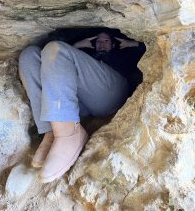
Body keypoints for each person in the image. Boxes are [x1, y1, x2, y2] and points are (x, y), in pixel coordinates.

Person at [18, 29, 145, 183]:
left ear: (114, 43)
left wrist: (132, 43)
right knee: (29, 55)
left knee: (55, 49)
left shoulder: (122, 53)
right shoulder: (85, 54)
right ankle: (51, 131)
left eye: (106, 41)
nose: (102, 44)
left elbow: (147, 49)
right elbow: (58, 67)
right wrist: (78, 45)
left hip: (112, 91)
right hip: (82, 101)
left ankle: (68, 135)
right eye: (98, 42)